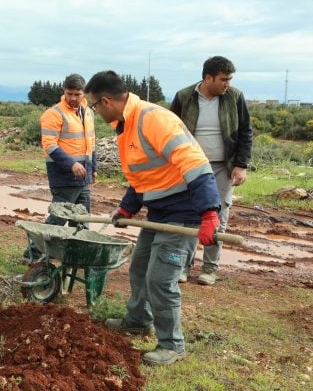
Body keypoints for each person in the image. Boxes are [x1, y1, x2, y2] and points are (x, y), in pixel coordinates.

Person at [84, 71, 221, 366]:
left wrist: (210, 213)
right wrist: (127, 208)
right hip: (158, 212)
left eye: (94, 106)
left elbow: (196, 165)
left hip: (183, 214)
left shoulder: (153, 119)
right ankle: (137, 320)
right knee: (140, 269)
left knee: (160, 280)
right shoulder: (126, 125)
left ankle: (173, 344)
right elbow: (141, 176)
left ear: (105, 101)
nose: (95, 111)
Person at [170, 56, 252, 286]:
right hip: (190, 166)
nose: (228, 84)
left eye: (229, 79)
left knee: (218, 216)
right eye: (224, 79)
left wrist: (241, 164)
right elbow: (169, 130)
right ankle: (183, 266)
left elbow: (245, 131)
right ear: (208, 78)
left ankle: (209, 269)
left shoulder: (234, 97)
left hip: (222, 167)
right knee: (188, 215)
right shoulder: (184, 97)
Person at [23, 73, 97, 262]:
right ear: (64, 91)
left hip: (84, 176)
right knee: (58, 217)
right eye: (69, 93)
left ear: (84, 94)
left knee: (81, 218)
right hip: (64, 176)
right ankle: (33, 253)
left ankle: (75, 255)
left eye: (77, 94)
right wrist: (71, 164)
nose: (73, 98)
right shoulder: (53, 114)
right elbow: (49, 145)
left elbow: (91, 143)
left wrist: (93, 167)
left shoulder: (88, 113)